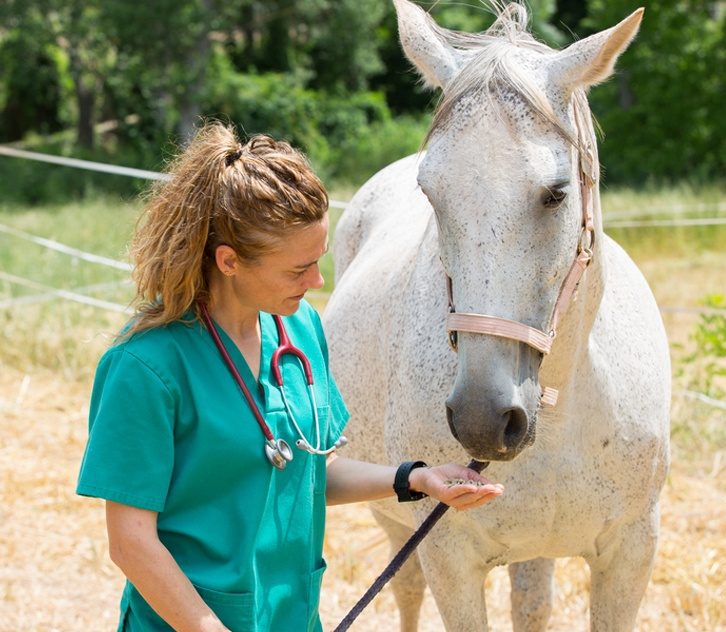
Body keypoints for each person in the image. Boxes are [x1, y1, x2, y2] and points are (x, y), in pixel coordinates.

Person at [76, 121, 503, 632]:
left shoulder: (299, 331)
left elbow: (307, 471)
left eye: (318, 262)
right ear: (229, 261)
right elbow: (130, 541)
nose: (317, 282)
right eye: (297, 269)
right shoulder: (145, 367)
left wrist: (414, 479)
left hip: (292, 617)